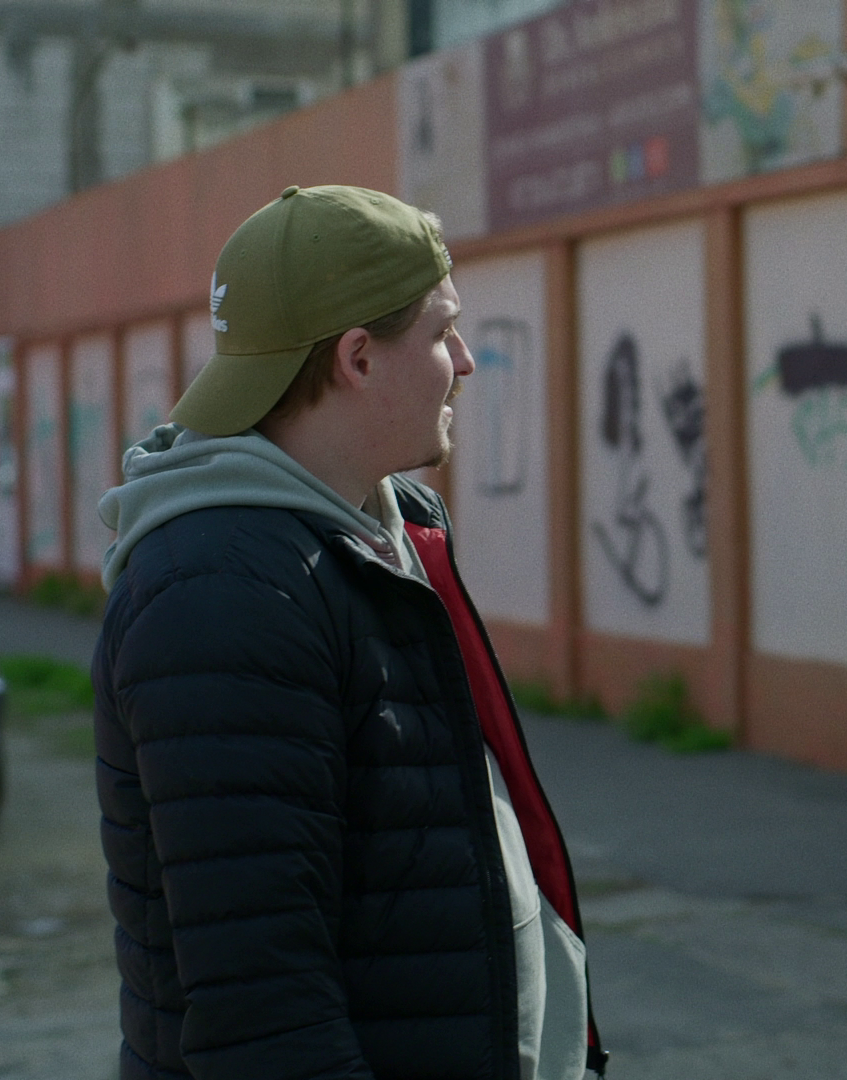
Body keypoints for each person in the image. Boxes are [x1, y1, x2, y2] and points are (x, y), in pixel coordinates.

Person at [93, 184, 605, 1080]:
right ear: (359, 358)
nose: (466, 359)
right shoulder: (221, 598)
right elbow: (265, 1016)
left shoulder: (378, 528)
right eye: (443, 330)